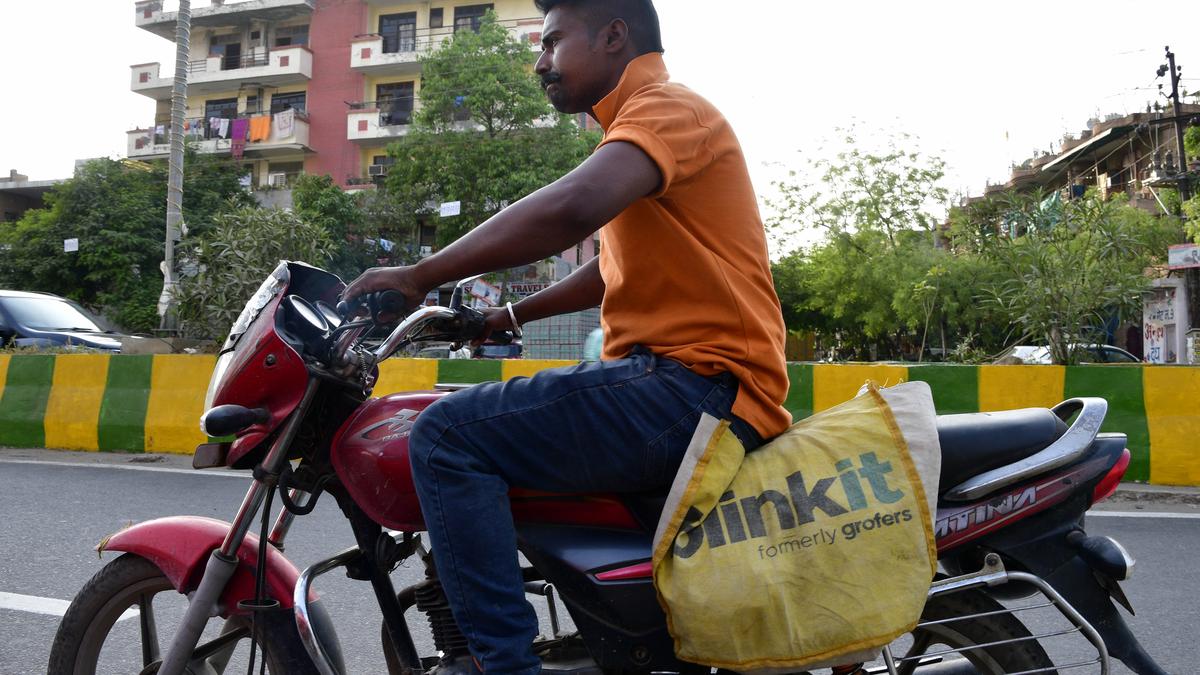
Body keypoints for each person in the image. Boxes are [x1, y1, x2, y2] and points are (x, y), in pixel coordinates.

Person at [342, 0, 791, 671]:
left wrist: (420, 274)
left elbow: (570, 208)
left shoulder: (667, 111)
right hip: (691, 390)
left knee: (445, 434)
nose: (540, 62)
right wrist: (501, 319)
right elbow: (610, 276)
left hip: (695, 390)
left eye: (553, 42)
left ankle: (504, 665)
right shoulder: (640, 137)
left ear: (614, 37)